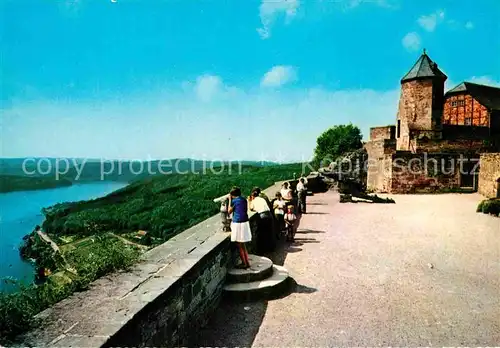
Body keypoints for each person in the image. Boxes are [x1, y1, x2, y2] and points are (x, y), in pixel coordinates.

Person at [228, 187, 251, 268]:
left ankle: (244, 263)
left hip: (238, 222)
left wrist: (230, 200)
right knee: (243, 244)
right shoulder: (244, 199)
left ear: (232, 195)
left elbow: (229, 211)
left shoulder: (234, 200)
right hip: (245, 222)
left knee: (239, 244)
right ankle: (247, 262)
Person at [249, 188, 275, 253]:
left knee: (262, 233)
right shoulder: (262, 199)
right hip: (269, 215)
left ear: (253, 196)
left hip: (262, 216)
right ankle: (271, 248)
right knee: (269, 232)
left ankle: (261, 250)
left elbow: (251, 208)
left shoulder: (254, 200)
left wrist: (250, 201)